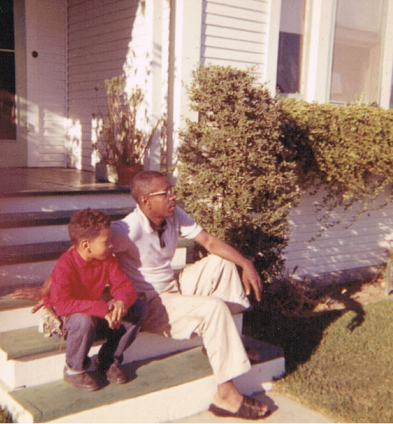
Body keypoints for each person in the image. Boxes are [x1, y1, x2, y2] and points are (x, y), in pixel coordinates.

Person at [13, 172, 269, 419]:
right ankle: (226, 395)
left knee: (222, 264)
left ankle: (222, 344)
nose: (173, 196)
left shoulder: (174, 215)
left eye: (172, 190)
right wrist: (47, 288)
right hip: (152, 303)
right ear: (146, 201)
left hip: (173, 286)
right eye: (166, 193)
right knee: (213, 308)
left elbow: (210, 242)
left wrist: (245, 262)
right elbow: (79, 247)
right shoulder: (126, 230)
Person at [46, 208, 146, 391]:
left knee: (136, 307)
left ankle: (107, 360)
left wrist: (120, 303)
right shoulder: (65, 265)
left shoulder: (108, 260)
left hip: (93, 315)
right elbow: (62, 305)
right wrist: (103, 309)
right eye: (106, 242)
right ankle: (74, 369)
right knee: (83, 320)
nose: (111, 246)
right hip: (67, 320)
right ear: (86, 245)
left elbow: (125, 287)